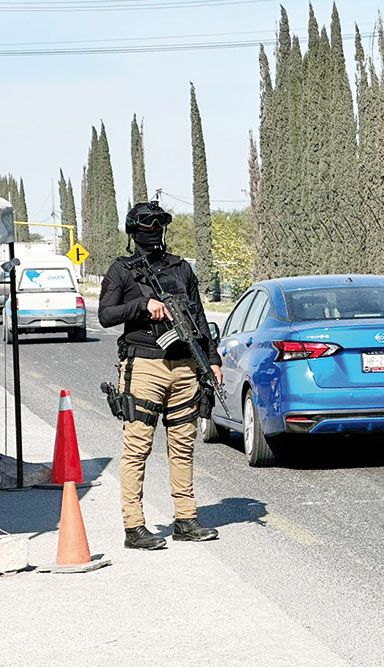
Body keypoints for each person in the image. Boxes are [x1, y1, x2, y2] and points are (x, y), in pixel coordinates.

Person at [98, 201, 222, 550]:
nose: (153, 232)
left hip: (185, 366)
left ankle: (186, 520)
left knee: (183, 447)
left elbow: (198, 317)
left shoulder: (181, 269)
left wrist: (211, 361)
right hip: (146, 366)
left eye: (158, 225)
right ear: (133, 231)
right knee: (137, 447)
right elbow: (106, 315)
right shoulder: (122, 270)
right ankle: (134, 527)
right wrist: (142, 306)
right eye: (146, 226)